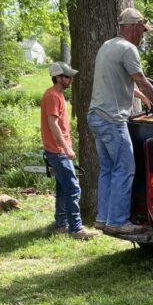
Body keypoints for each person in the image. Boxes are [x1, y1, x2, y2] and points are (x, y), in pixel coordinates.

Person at [88, 8, 153, 235]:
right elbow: (140, 80)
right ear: (133, 27)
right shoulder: (128, 49)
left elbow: (118, 83)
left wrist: (143, 98)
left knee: (108, 169)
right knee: (125, 167)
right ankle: (119, 221)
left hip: (96, 116)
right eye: (142, 30)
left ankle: (103, 218)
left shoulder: (107, 46)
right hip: (112, 120)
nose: (142, 36)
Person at [42, 62, 100, 240]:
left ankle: (61, 225)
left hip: (58, 150)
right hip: (58, 151)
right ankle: (76, 229)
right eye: (67, 76)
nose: (71, 79)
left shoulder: (57, 95)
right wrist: (66, 148)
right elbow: (53, 125)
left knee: (62, 188)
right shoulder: (52, 96)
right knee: (74, 189)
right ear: (58, 78)